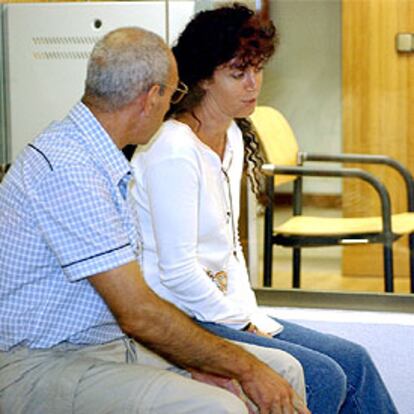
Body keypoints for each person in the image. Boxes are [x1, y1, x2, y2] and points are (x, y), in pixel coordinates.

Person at [0, 27, 310, 414]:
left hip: (110, 345)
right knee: (221, 404)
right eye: (174, 94)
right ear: (152, 97)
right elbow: (138, 313)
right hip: (39, 363)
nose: (173, 108)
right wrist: (241, 367)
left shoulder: (97, 157)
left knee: (284, 369)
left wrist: (221, 363)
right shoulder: (69, 168)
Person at [130, 4, 398, 414]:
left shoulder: (233, 137)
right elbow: (178, 272)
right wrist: (243, 325)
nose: (253, 84)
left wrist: (251, 316)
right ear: (203, 77)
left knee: (355, 361)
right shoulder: (173, 149)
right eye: (238, 74)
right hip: (181, 318)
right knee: (323, 377)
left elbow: (229, 249)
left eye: (257, 69)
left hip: (225, 313)